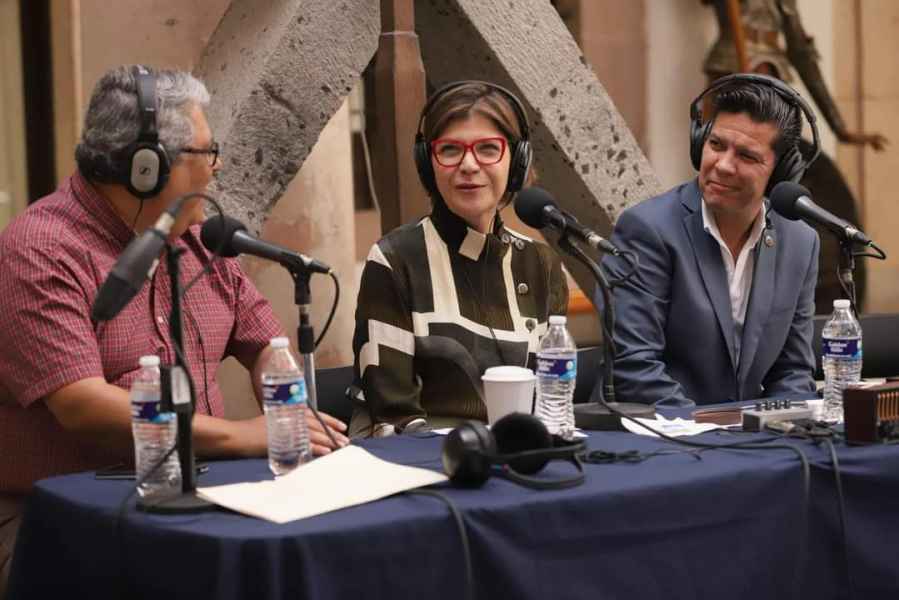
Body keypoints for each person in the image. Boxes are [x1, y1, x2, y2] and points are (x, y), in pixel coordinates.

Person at [0, 65, 347, 593]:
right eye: (207, 152)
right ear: (148, 167)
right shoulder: (39, 249)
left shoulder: (197, 236)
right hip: (59, 517)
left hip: (199, 496)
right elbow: (80, 404)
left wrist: (286, 421)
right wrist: (241, 436)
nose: (217, 166)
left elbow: (265, 345)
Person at [350, 81, 568, 437]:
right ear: (428, 164)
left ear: (517, 161)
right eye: (450, 150)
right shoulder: (394, 259)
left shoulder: (540, 263)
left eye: (488, 148)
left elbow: (551, 399)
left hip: (521, 456)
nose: (468, 165)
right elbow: (393, 416)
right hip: (425, 461)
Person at [599, 75, 819, 407]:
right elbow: (633, 368)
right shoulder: (646, 230)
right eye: (716, 145)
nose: (724, 165)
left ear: (780, 173)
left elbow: (793, 372)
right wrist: (712, 431)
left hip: (750, 434)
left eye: (747, 156)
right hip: (659, 430)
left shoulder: (800, 242)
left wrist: (787, 427)